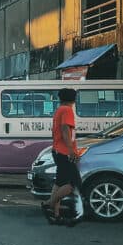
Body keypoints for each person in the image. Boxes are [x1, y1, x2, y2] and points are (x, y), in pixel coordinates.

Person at [44, 87, 83, 219]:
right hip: (65, 152)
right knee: (74, 184)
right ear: (73, 99)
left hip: (58, 150)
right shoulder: (67, 110)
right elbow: (65, 129)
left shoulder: (59, 110)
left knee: (60, 182)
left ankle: (55, 213)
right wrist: (71, 150)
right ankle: (50, 203)